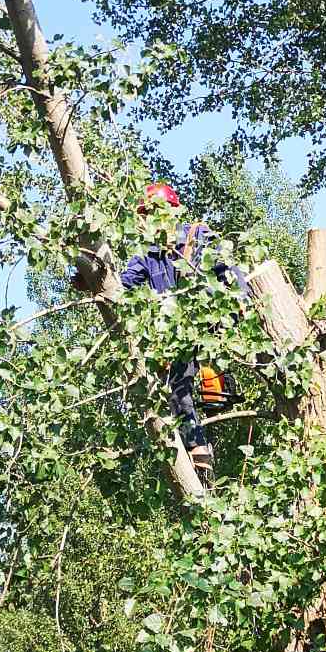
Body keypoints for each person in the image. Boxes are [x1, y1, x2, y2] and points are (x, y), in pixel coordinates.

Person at [122, 183, 245, 485]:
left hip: (211, 318)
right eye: (147, 215)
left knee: (184, 380)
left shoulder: (197, 236)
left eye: (154, 213)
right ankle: (198, 449)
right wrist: (92, 276)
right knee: (177, 389)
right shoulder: (147, 255)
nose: (150, 220)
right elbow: (122, 284)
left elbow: (229, 268)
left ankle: (214, 397)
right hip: (178, 332)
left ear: (171, 212)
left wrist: (242, 301)